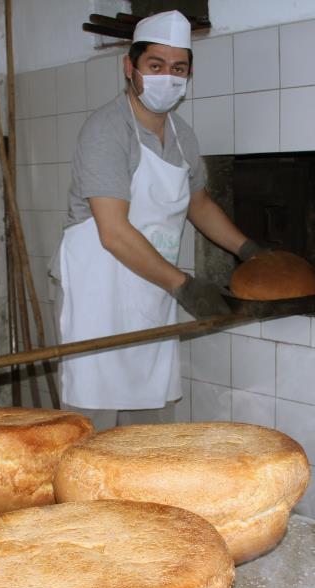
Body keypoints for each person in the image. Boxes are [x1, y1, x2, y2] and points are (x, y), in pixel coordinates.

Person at [53, 10, 264, 430]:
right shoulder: (106, 130)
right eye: (155, 65)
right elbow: (113, 232)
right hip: (98, 293)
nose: (167, 77)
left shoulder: (183, 137)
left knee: (150, 428)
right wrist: (183, 285)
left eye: (178, 68)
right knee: (91, 425)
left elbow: (199, 204)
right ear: (129, 67)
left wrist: (250, 251)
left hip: (150, 288)